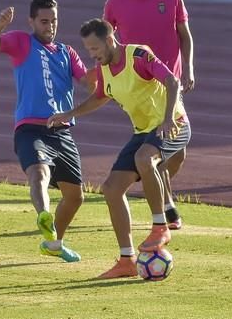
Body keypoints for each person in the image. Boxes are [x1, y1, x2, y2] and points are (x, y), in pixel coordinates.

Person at [48, 18, 191, 279]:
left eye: (95, 48)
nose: (92, 54)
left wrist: (170, 117)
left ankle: (161, 227)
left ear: (110, 40)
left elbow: (171, 81)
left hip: (173, 124)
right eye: (88, 50)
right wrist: (69, 113)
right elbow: (101, 96)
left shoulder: (138, 54)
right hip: (143, 132)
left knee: (144, 159)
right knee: (111, 189)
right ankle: (127, 260)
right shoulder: (103, 69)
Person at [0, 0, 92, 262]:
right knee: (38, 173)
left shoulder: (67, 52)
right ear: (31, 21)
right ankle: (43, 214)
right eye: (44, 21)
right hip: (30, 128)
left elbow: (89, 83)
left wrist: (109, 60)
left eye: (53, 21)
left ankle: (54, 244)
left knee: (75, 197)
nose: (50, 26)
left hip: (62, 132)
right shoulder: (21, 41)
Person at [103, 0, 195, 230]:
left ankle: (156, 183)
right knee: (155, 144)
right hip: (141, 87)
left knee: (177, 153)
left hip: (170, 83)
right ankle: (166, 206)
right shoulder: (115, 2)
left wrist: (189, 68)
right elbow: (107, 41)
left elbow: (185, 36)